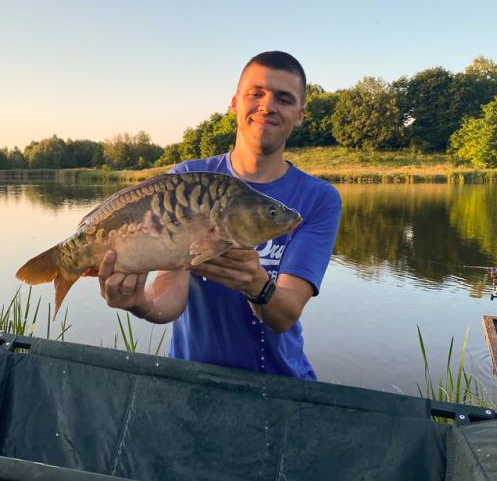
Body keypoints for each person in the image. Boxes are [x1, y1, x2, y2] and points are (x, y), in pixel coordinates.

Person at [97, 51, 342, 379]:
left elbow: (286, 314)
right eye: (255, 94)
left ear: (299, 114)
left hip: (283, 384)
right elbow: (170, 296)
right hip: (192, 380)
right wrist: (137, 301)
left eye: (283, 99)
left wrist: (256, 284)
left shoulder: (318, 199)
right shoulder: (185, 179)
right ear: (235, 103)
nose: (267, 106)